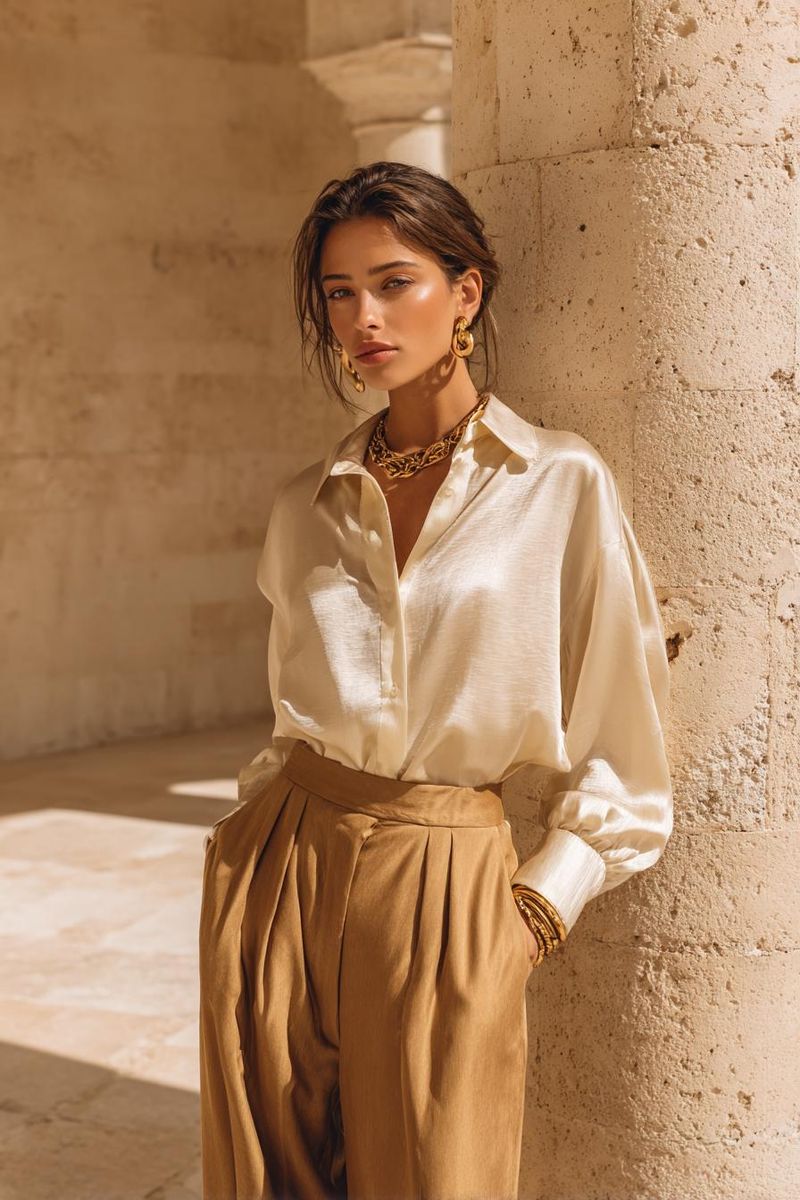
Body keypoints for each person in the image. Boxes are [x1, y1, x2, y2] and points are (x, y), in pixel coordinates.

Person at [197, 160, 673, 1200]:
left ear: (465, 292)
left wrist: (532, 912)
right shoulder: (305, 506)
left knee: (436, 1180)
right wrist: (246, 856)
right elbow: (291, 717)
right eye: (337, 291)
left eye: (392, 280)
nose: (362, 315)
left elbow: (623, 749)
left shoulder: (556, 484)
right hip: (284, 870)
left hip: (445, 878)